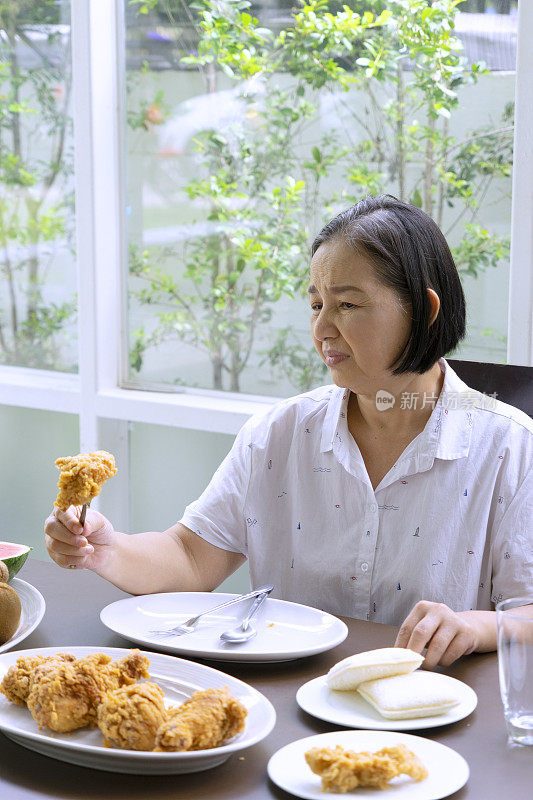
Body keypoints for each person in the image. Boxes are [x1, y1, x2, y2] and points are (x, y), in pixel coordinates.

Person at [44, 194, 533, 669]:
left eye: (347, 305)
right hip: (292, 706)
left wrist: (478, 626)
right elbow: (189, 558)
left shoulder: (509, 447)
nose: (322, 329)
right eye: (316, 305)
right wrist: (108, 550)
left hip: (431, 713)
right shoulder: (277, 435)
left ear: (424, 312)